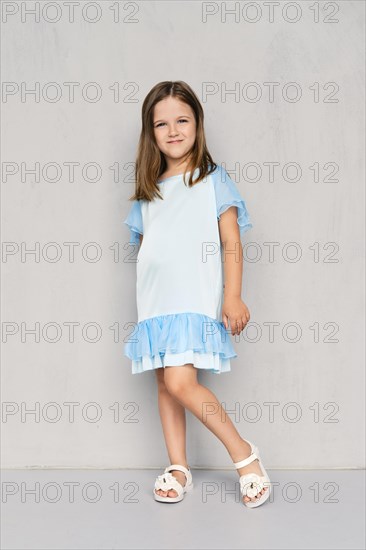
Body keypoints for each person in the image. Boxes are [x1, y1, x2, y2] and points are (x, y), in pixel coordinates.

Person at [123, 81, 271, 508]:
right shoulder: (148, 188)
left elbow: (230, 242)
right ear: (150, 133)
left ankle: (245, 456)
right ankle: (179, 466)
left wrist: (233, 296)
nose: (173, 130)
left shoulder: (210, 179)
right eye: (162, 123)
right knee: (166, 386)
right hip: (156, 304)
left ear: (197, 124)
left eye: (182, 120)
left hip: (192, 299)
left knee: (181, 381)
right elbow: (150, 246)